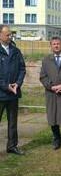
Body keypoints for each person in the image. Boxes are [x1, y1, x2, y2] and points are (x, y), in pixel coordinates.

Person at [0, 25, 26, 155]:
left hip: (13, 93)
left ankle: (12, 146)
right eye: (7, 35)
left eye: (10, 35)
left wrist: (18, 84)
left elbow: (22, 68)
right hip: (1, 93)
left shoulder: (16, 51)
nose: (10, 37)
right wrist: (5, 86)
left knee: (12, 122)